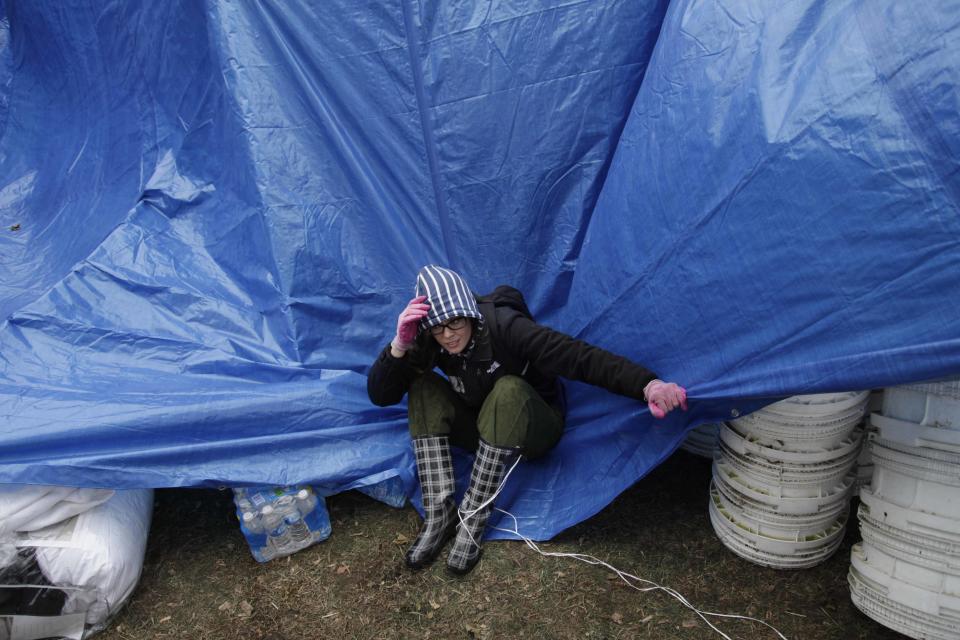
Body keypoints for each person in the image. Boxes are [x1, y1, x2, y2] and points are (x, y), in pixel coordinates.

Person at [367, 265, 687, 575]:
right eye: (438, 327)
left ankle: (472, 519)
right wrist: (400, 345)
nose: (448, 335)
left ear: (468, 312)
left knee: (508, 389)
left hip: (535, 427)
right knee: (422, 386)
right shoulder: (431, 338)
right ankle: (440, 514)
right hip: (483, 426)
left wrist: (648, 385)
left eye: (455, 323)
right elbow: (382, 395)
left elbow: (579, 357)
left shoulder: (505, 326)